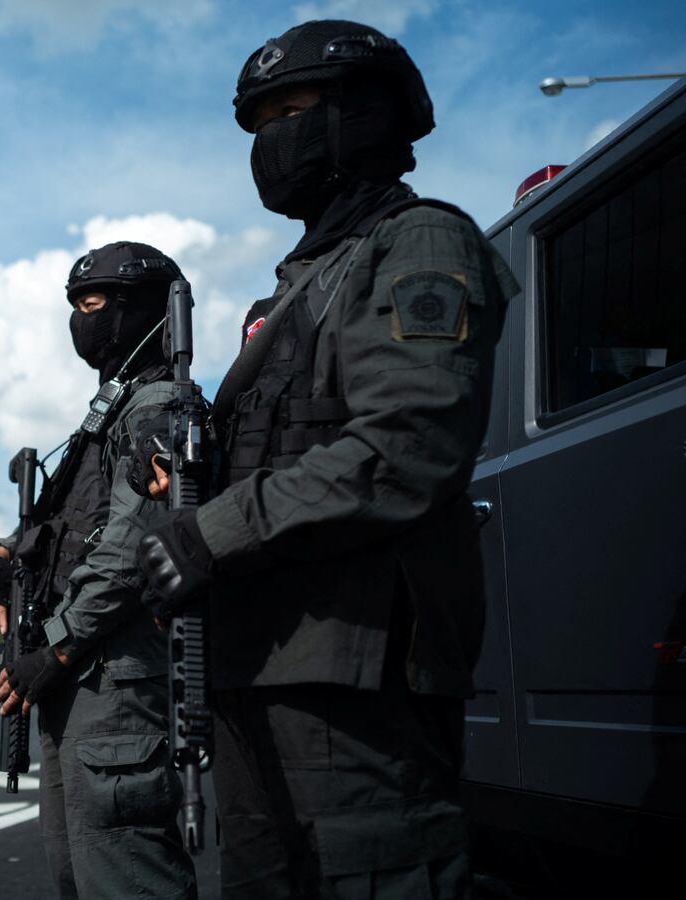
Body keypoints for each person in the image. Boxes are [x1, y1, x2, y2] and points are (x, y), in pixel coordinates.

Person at [133, 19, 520, 899]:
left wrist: (211, 534)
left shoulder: (417, 242)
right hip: (260, 661)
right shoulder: (302, 281)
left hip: (355, 676)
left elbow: (405, 448)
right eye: (260, 118)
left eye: (294, 108)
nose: (274, 137)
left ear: (366, 114)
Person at [0, 241, 198, 899]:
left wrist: (56, 646)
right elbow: (66, 531)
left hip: (116, 682)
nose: (82, 318)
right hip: (77, 680)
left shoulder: (158, 404)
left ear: (139, 311)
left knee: (127, 879)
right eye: (75, 305)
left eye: (94, 303)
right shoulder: (109, 412)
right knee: (79, 878)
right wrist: (4, 561)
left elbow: (130, 549)